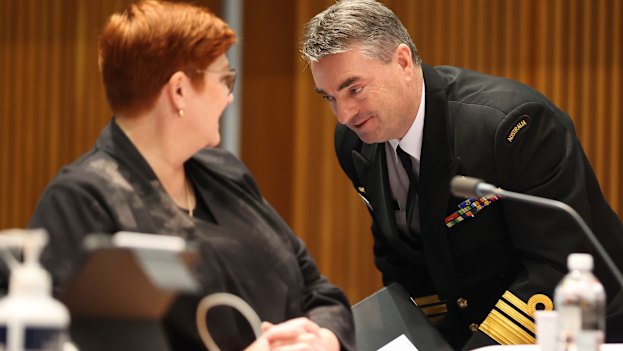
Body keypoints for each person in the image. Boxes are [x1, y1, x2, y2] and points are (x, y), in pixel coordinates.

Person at [28, 1, 355, 350]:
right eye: (225, 79)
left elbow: (320, 293)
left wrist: (323, 339)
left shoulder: (227, 173)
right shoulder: (80, 201)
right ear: (179, 90)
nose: (229, 97)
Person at [301, 0, 623, 349]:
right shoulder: (354, 141)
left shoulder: (510, 124)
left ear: (403, 62)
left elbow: (556, 264)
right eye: (329, 98)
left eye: (354, 89)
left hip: (574, 329)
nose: (344, 114)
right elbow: (401, 258)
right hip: (465, 334)